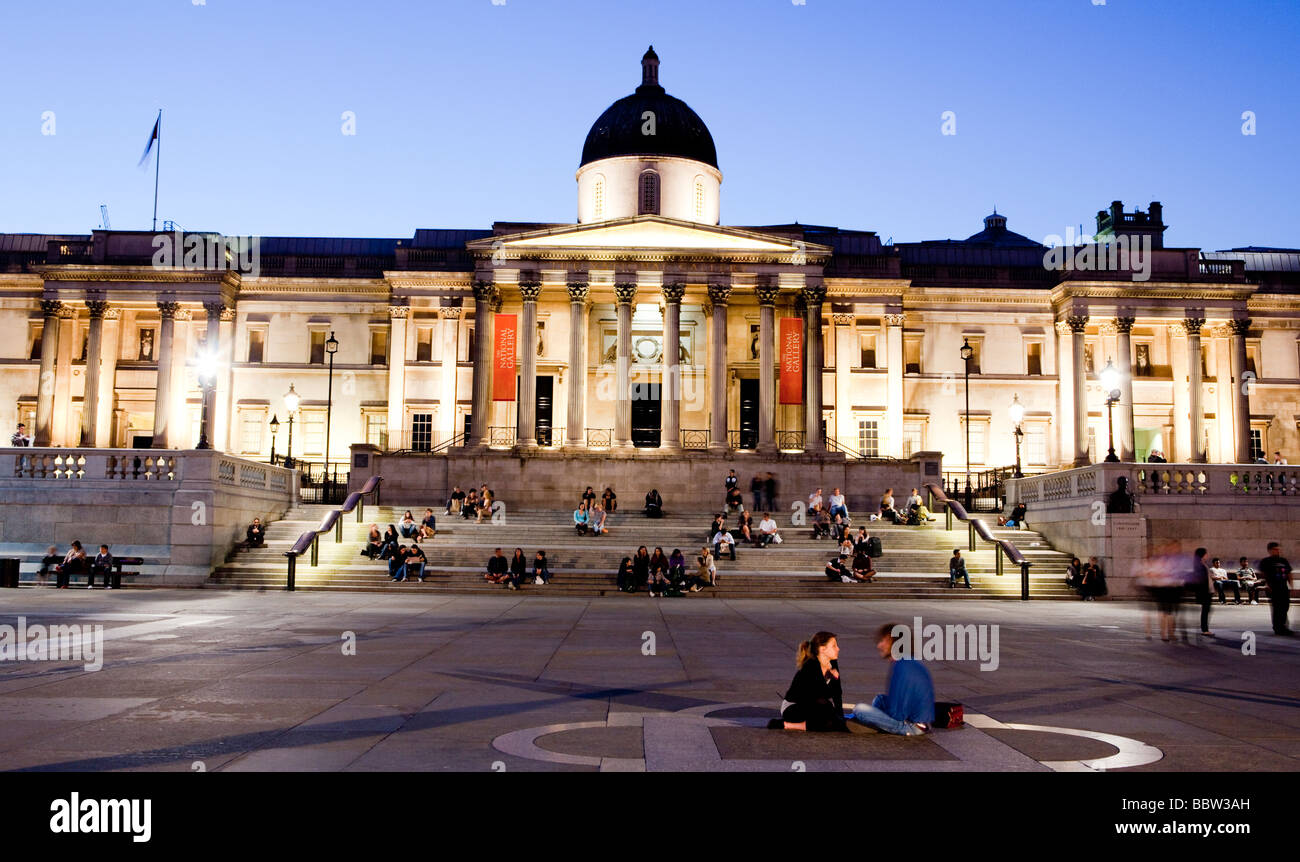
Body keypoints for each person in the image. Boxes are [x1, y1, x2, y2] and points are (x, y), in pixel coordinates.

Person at [849, 623, 935, 736]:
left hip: (912, 727)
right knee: (879, 699)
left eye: (883, 641)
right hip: (922, 721)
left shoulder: (901, 666)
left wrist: (882, 717)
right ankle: (876, 722)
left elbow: (897, 715)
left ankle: (876, 724)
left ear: (892, 642)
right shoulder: (908, 661)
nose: (879, 645)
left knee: (859, 709)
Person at [777, 632, 848, 732]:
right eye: (834, 646)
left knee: (833, 718)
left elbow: (837, 692)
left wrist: (840, 716)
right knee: (827, 715)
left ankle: (820, 722)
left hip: (811, 705)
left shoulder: (832, 663)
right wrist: (829, 677)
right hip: (793, 707)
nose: (838, 649)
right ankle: (785, 724)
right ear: (823, 649)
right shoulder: (811, 666)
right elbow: (819, 694)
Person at [1259, 542, 1293, 636]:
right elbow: (1263, 574)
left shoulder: (1283, 560)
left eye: (1278, 549)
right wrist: (1267, 585)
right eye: (1275, 549)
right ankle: (1279, 628)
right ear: (1270, 550)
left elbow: (1289, 573)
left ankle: (1283, 626)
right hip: (1273, 588)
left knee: (1285, 607)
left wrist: (1291, 586)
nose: (1277, 551)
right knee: (1277, 608)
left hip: (1283, 587)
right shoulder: (1266, 561)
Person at [1189, 547, 1213, 636]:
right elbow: (1201, 580)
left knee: (1206, 610)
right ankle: (1205, 629)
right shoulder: (1200, 565)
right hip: (1205, 591)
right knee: (1205, 610)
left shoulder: (1203, 564)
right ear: (1202, 555)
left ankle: (1205, 628)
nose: (1208, 555)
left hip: (1208, 591)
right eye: (1206, 554)